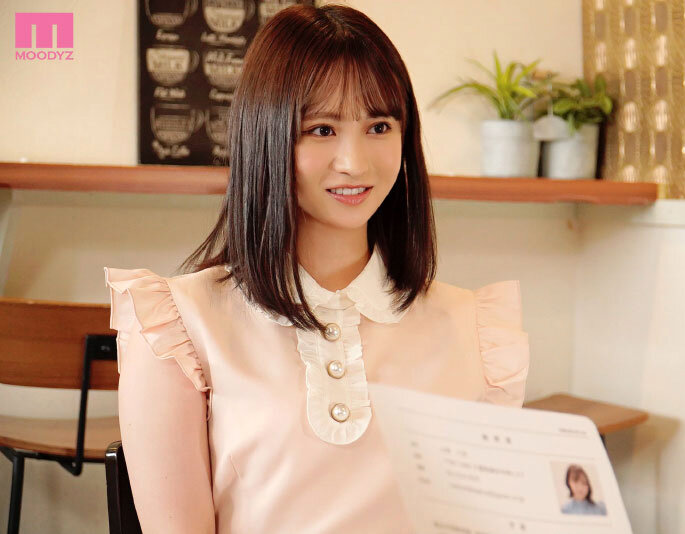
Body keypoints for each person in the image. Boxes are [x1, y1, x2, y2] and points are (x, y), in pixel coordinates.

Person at [104, 4, 529, 533]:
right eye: (322, 129)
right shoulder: (178, 328)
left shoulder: (475, 330)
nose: (355, 162)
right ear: (266, 136)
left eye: (379, 126)